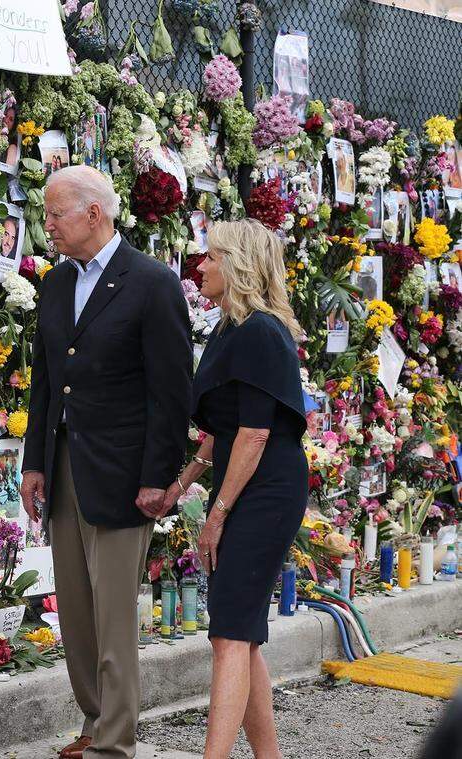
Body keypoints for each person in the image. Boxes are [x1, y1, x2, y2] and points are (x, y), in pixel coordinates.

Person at [19, 165, 191, 759]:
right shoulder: (56, 284)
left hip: (123, 472)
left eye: (54, 214)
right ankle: (94, 722)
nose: (47, 226)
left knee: (115, 616)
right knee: (76, 612)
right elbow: (46, 380)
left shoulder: (151, 282)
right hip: (65, 465)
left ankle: (113, 745)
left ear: (95, 213)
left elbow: (170, 394)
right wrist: (34, 462)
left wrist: (157, 478)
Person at [163, 219, 307, 759]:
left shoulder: (261, 332)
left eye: (211, 257)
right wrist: (181, 486)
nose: (200, 266)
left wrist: (217, 513)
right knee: (239, 631)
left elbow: (256, 432)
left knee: (229, 634)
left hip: (265, 490)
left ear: (238, 265)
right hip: (244, 482)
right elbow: (221, 432)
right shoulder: (231, 328)